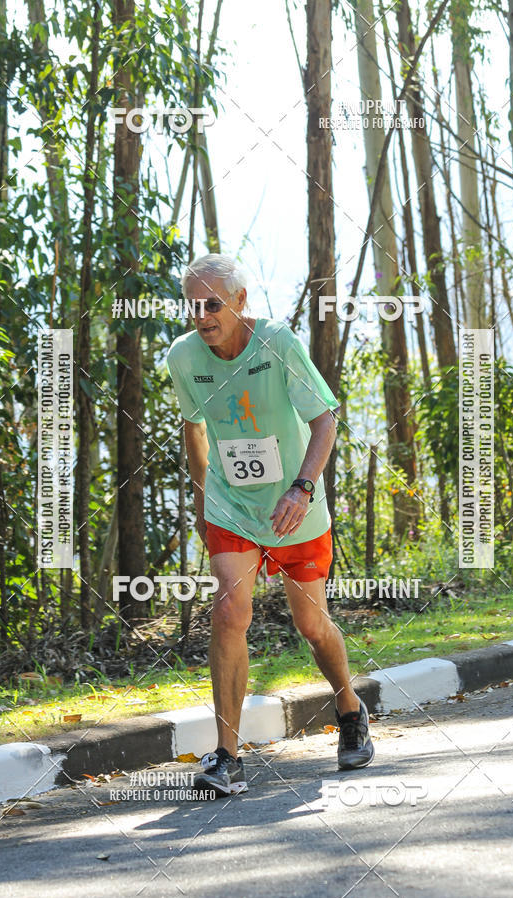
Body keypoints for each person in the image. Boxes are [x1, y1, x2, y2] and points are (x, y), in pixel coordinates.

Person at [166, 254, 374, 797]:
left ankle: (350, 708)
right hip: (231, 505)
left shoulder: (277, 344)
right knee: (230, 611)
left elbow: (325, 417)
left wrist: (303, 487)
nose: (202, 315)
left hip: (293, 506)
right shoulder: (184, 358)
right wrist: (202, 493)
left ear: (240, 302)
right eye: (193, 305)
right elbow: (194, 428)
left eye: (213, 303)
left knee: (311, 625)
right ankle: (228, 755)